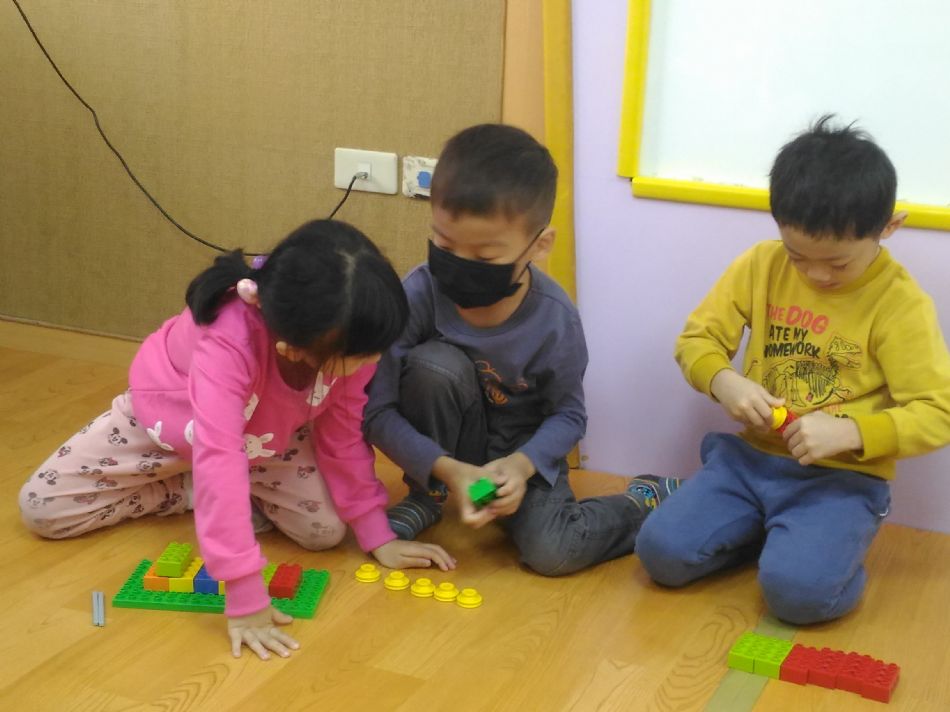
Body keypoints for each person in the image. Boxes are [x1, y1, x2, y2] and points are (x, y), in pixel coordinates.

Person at [19, 219, 454, 659]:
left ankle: (191, 491)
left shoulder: (345, 342)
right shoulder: (230, 339)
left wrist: (376, 533)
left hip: (263, 442)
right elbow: (218, 453)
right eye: (360, 357)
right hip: (166, 428)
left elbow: (342, 436)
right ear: (293, 349)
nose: (372, 363)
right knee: (43, 508)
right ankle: (201, 488)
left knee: (324, 531)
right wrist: (244, 594)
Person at [636, 116, 950, 624]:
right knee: (660, 555)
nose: (816, 274)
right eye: (798, 256)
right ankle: (769, 536)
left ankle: (817, 552)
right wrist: (724, 381)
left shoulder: (900, 303)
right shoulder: (760, 264)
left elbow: (939, 411)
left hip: (841, 480)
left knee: (799, 597)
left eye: (838, 263)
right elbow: (696, 341)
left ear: (888, 227)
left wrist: (852, 432)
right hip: (748, 462)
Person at [363, 124, 679, 576]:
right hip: (451, 454)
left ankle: (642, 499)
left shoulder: (555, 319)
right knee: (434, 367)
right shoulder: (418, 293)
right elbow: (377, 410)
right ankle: (428, 496)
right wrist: (447, 470)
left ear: (540, 245)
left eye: (485, 258)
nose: (458, 265)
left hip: (518, 453)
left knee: (553, 551)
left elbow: (569, 416)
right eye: (444, 244)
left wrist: (522, 465)